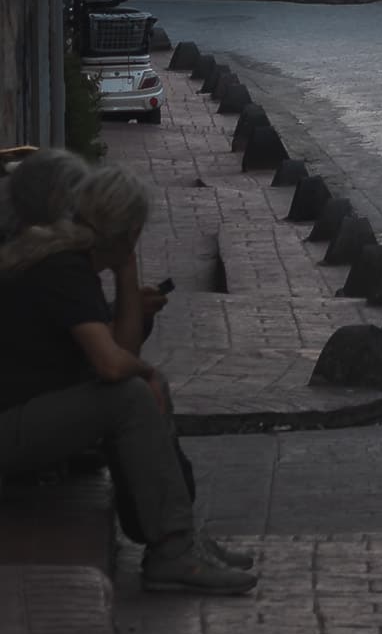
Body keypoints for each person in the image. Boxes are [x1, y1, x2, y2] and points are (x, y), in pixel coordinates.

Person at [0, 157, 256, 593]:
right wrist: (149, 375)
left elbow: (123, 350)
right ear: (130, 232)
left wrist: (125, 273)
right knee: (132, 395)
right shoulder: (63, 267)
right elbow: (113, 363)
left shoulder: (65, 257)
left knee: (135, 390)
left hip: (20, 419)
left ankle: (176, 537)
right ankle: (173, 550)